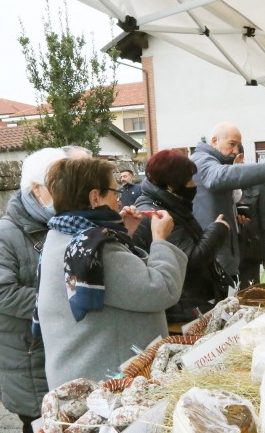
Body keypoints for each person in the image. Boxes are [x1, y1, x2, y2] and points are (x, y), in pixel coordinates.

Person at [36, 158, 187, 388]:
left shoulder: (65, 235)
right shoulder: (93, 246)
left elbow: (122, 282)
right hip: (108, 384)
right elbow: (161, 289)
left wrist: (122, 234)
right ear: (95, 197)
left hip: (86, 376)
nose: (120, 200)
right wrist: (160, 241)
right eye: (115, 192)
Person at [0, 147, 65, 433]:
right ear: (36, 190)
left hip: (57, 345)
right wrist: (61, 302)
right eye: (58, 185)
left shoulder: (63, 223)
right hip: (26, 352)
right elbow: (1, 293)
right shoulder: (6, 233)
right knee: (40, 432)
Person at [191, 122, 265, 278]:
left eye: (238, 146)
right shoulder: (202, 160)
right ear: (215, 141)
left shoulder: (213, 161)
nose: (236, 151)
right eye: (232, 144)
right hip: (213, 257)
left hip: (223, 253)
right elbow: (219, 176)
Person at [133, 150, 230, 322]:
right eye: (189, 179)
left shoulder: (171, 203)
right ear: (171, 184)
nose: (193, 184)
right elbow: (190, 259)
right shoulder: (160, 214)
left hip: (190, 300)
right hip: (183, 307)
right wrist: (218, 229)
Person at [236, 182, 265, 289]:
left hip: (250, 250)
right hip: (225, 250)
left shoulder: (257, 183)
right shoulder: (220, 179)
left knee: (249, 295)